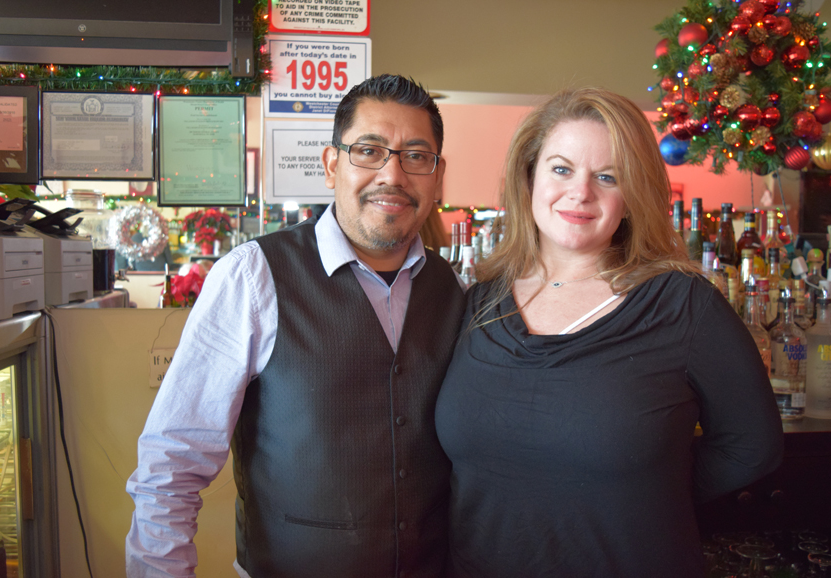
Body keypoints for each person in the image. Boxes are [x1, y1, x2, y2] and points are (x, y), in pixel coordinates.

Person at [434, 87, 784, 577]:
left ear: (634, 193)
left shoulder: (685, 305)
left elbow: (753, 445)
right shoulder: (479, 302)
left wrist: (655, 486)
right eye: (561, 169)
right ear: (528, 175)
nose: (581, 192)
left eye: (607, 176)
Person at [126, 74, 466, 578]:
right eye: (369, 150)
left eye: (416, 156)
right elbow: (172, 464)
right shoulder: (253, 275)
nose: (393, 175)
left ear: (437, 175)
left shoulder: (451, 289)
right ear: (332, 165)